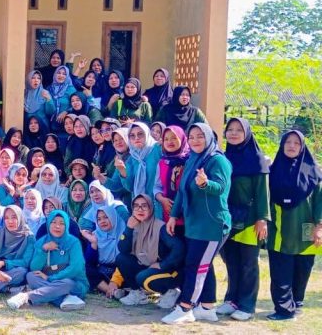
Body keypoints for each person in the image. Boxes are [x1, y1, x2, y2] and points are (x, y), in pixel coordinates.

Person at [161, 123, 232, 325]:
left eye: (200, 136)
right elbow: (182, 191)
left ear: (209, 137)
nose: (195, 140)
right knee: (202, 265)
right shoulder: (193, 158)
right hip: (194, 224)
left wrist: (205, 184)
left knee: (196, 266)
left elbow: (221, 188)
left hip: (212, 224)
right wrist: (173, 216)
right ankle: (207, 307)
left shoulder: (218, 160)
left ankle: (185, 308)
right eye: (191, 137)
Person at [217, 117, 270, 320]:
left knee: (248, 263)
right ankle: (232, 300)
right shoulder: (224, 158)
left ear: (247, 133)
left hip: (250, 219)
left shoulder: (257, 159)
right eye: (230, 129)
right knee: (231, 260)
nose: (233, 133)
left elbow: (263, 192)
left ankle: (247, 305)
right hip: (229, 218)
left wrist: (262, 218)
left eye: (239, 130)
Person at [265, 130, 321, 321]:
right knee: (280, 270)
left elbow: (319, 201)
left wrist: (320, 227)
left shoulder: (314, 173)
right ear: (282, 145)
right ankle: (283, 309)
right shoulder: (272, 172)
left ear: (302, 147)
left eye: (296, 143)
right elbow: (265, 199)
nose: (291, 146)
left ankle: (296, 303)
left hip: (306, 230)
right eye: (288, 142)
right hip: (280, 229)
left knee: (302, 270)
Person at [7, 210, 87, 311]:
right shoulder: (42, 242)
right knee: (31, 276)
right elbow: (34, 268)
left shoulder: (73, 242)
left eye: (61, 223)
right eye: (53, 222)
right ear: (48, 224)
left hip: (72, 282)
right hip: (52, 281)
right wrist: (43, 250)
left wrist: (51, 278)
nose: (57, 226)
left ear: (66, 225)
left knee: (67, 283)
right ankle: (66, 298)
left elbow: (76, 268)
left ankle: (26, 297)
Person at [114, 194, 185, 308]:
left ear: (151, 208)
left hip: (169, 271)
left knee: (142, 277)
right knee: (121, 259)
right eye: (136, 206)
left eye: (144, 206)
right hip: (148, 266)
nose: (140, 209)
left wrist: (162, 265)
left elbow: (179, 248)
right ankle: (138, 294)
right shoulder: (135, 225)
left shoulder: (160, 227)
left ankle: (172, 291)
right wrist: (129, 229)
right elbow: (123, 249)